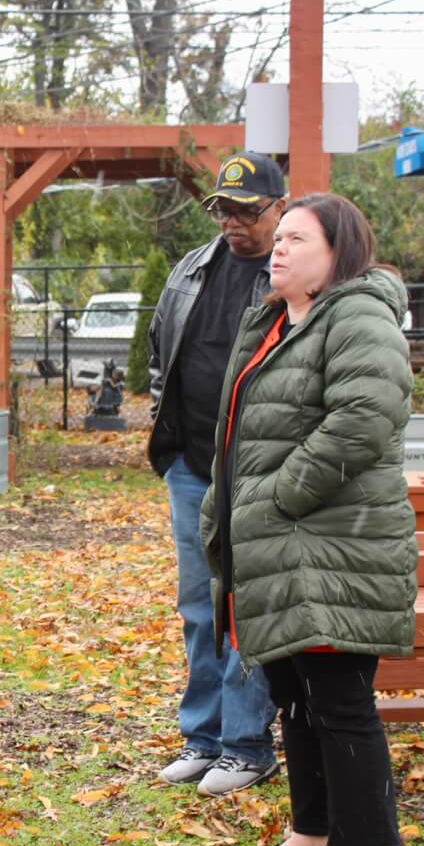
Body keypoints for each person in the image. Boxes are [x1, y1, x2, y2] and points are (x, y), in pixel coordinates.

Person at [200, 193, 416, 846]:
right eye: (280, 238)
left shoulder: (355, 313)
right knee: (294, 694)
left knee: (339, 697)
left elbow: (366, 417)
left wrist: (281, 494)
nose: (279, 249)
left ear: (337, 252)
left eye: (297, 238)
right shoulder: (272, 320)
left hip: (333, 546)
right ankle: (315, 829)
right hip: (279, 545)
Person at [145, 153, 284, 795]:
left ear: (279, 208)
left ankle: (247, 745)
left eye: (246, 210)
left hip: (258, 472)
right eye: (223, 209)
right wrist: (164, 425)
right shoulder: (192, 270)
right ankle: (201, 739)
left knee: (246, 607)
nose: (232, 221)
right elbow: (159, 351)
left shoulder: (290, 278)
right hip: (191, 467)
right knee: (199, 606)